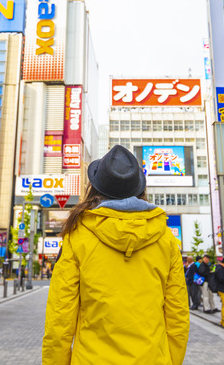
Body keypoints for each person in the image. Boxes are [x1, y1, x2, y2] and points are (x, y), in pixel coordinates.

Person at [42, 145, 189, 363]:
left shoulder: (78, 236)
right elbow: (177, 318)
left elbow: (60, 320)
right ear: (139, 188)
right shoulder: (165, 239)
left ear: (95, 188)